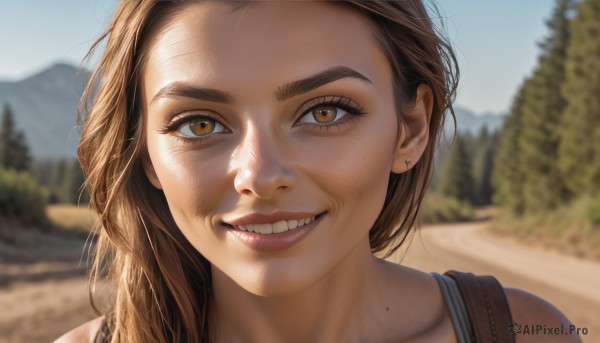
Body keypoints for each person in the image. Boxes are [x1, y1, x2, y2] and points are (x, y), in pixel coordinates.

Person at [56, 1, 578, 342]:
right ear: (146, 153)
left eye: (324, 112)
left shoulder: (525, 334)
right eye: (198, 124)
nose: (259, 175)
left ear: (410, 129)